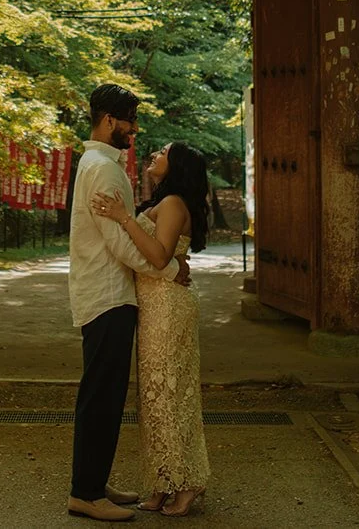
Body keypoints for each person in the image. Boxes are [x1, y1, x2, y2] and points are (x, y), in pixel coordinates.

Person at [67, 84, 192, 523]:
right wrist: (170, 269)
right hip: (108, 293)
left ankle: (94, 483)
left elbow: (125, 231)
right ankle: (84, 492)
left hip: (110, 291)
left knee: (107, 391)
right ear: (108, 121)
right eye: (129, 121)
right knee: (101, 394)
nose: (134, 129)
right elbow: (118, 241)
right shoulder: (103, 168)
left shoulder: (101, 164)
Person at [91, 142, 212, 517]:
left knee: (170, 397)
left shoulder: (174, 202)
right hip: (155, 306)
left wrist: (124, 217)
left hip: (168, 308)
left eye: (163, 152)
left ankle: (188, 483)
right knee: (154, 399)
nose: (155, 154)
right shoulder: (168, 200)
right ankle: (163, 481)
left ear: (176, 166)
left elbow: (158, 256)